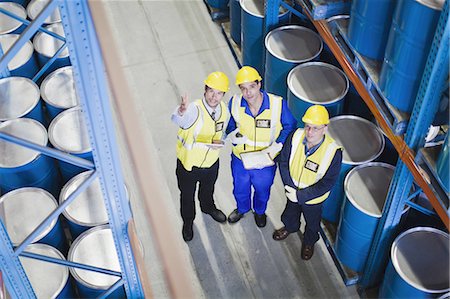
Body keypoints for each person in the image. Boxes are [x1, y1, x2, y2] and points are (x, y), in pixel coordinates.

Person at [226, 66, 296, 227]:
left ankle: (259, 211)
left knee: (262, 190)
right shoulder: (235, 102)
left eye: (251, 87)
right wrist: (233, 134)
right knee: (240, 188)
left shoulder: (277, 104)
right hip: (240, 159)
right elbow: (229, 123)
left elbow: (290, 126)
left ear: (259, 84)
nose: (248, 93)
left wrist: (277, 145)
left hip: (265, 159)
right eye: (243, 89)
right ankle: (242, 209)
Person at [272, 105, 342, 260]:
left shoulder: (333, 152)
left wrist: (301, 195)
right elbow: (283, 161)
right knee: (290, 213)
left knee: (312, 223)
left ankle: (309, 242)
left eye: (315, 128)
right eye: (308, 127)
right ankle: (290, 228)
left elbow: (327, 183)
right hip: (291, 191)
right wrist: (289, 186)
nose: (309, 132)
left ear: (325, 128)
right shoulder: (295, 136)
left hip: (313, 199)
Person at [171, 71, 230, 242]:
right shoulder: (194, 109)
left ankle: (208, 208)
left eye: (219, 93)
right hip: (189, 166)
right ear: (205, 90)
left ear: (223, 95)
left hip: (211, 164)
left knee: (208, 190)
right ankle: (188, 222)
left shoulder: (224, 111)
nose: (214, 96)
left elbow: (222, 132)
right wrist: (181, 111)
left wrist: (222, 141)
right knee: (187, 196)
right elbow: (180, 120)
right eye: (211, 91)